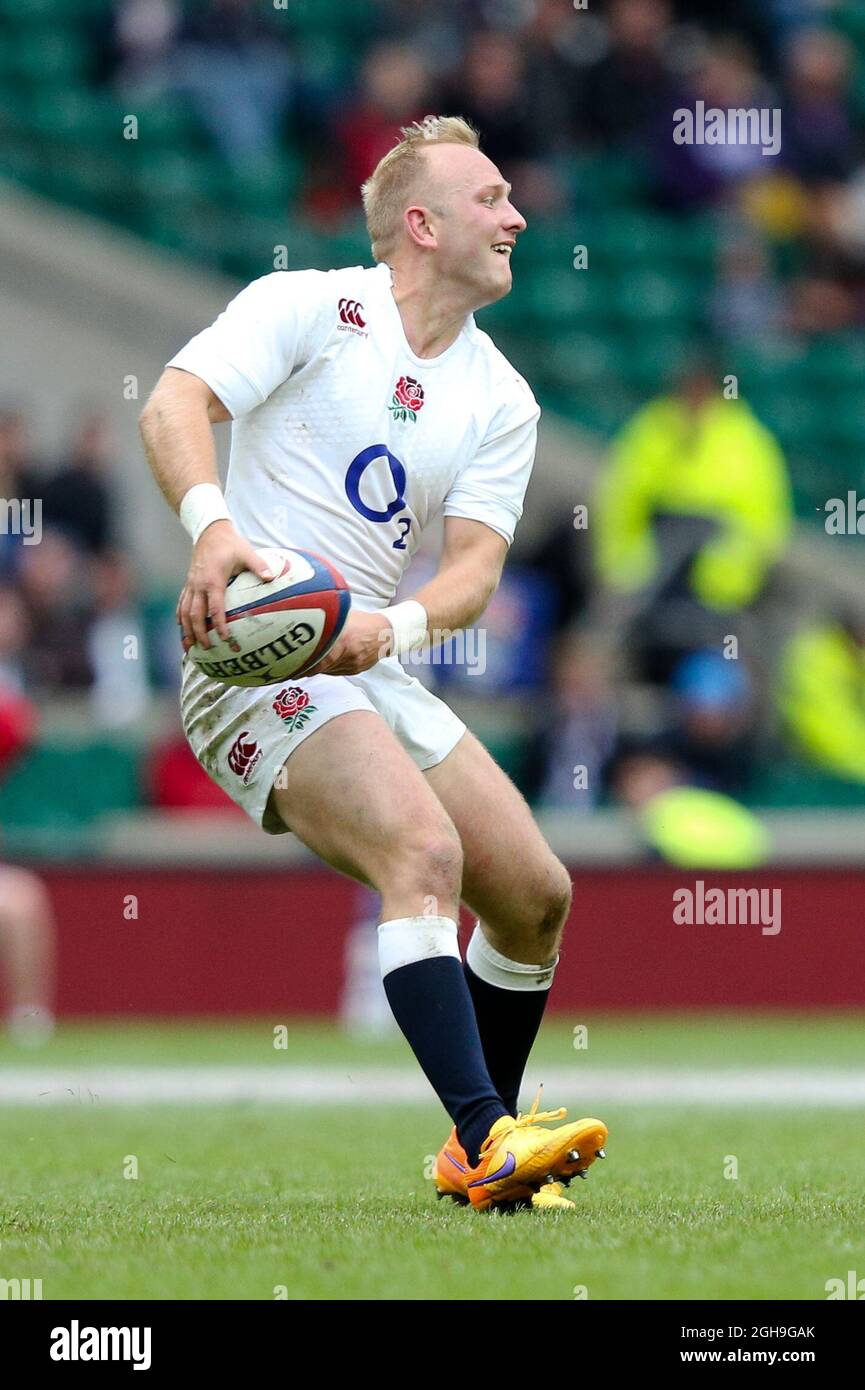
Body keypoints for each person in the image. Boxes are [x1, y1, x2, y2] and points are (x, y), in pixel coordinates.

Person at [140, 115, 608, 1213]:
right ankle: (489, 1137)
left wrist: (387, 632)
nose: (517, 216)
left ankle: (477, 1146)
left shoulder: (502, 395)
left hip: (368, 660)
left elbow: (476, 572)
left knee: (536, 897)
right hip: (254, 662)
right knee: (421, 849)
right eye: (490, 198)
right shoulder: (308, 305)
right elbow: (174, 403)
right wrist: (212, 527)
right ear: (421, 221)